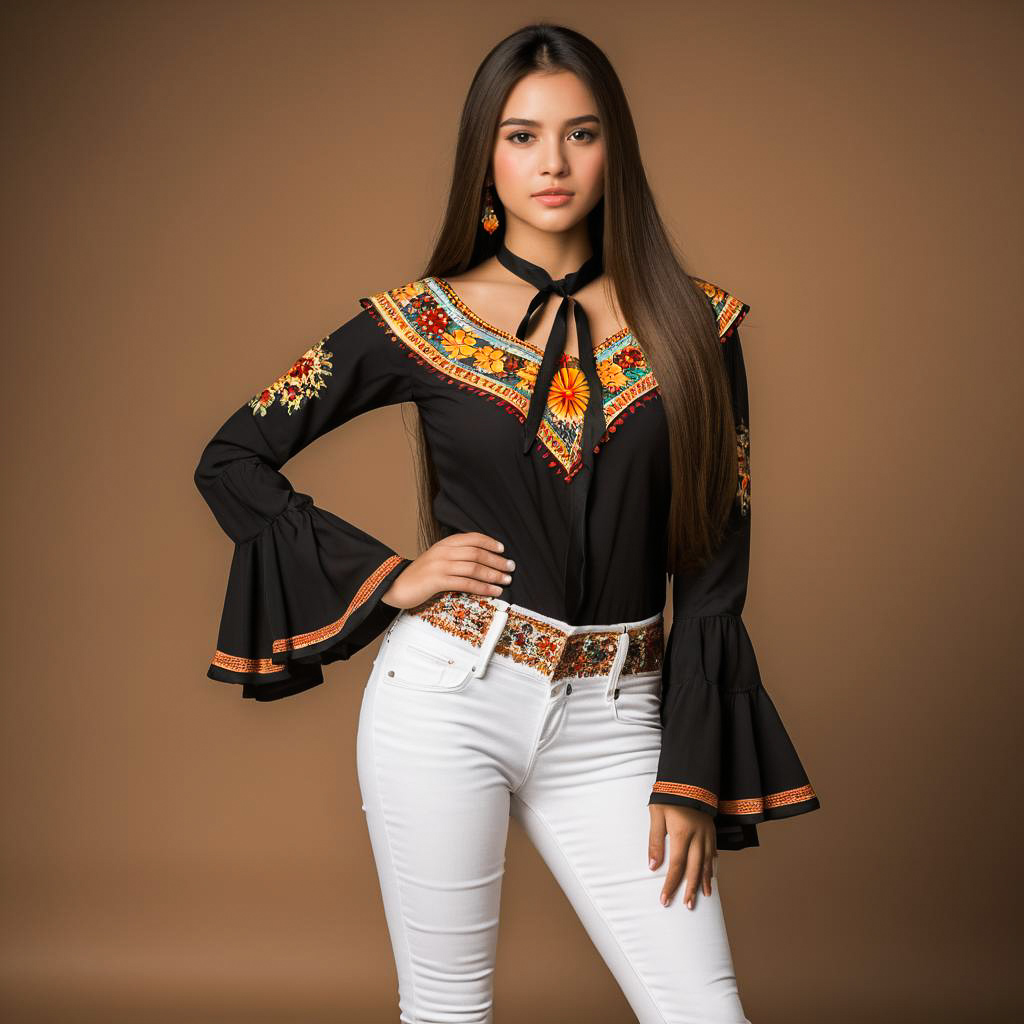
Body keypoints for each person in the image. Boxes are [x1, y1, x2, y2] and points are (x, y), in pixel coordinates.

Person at [193, 22, 820, 1024]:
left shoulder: (699, 327)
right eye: (522, 135)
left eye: (580, 133)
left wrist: (689, 768)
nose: (553, 163)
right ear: (484, 155)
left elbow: (712, 564)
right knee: (448, 1014)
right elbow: (231, 456)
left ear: (616, 148)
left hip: (623, 719)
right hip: (446, 698)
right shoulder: (417, 320)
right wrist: (391, 575)